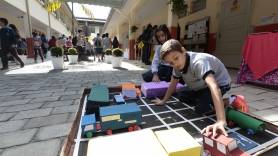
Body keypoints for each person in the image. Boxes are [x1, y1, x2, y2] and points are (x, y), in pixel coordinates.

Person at [152, 39, 232, 138]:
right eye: (171, 63)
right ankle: (206, 99)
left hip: (220, 84)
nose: (175, 64)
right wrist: (164, 101)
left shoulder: (199, 62)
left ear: (183, 50)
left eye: (176, 58)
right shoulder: (177, 66)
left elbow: (214, 86)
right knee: (181, 95)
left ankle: (229, 100)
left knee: (201, 108)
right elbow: (173, 84)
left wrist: (221, 120)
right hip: (202, 85)